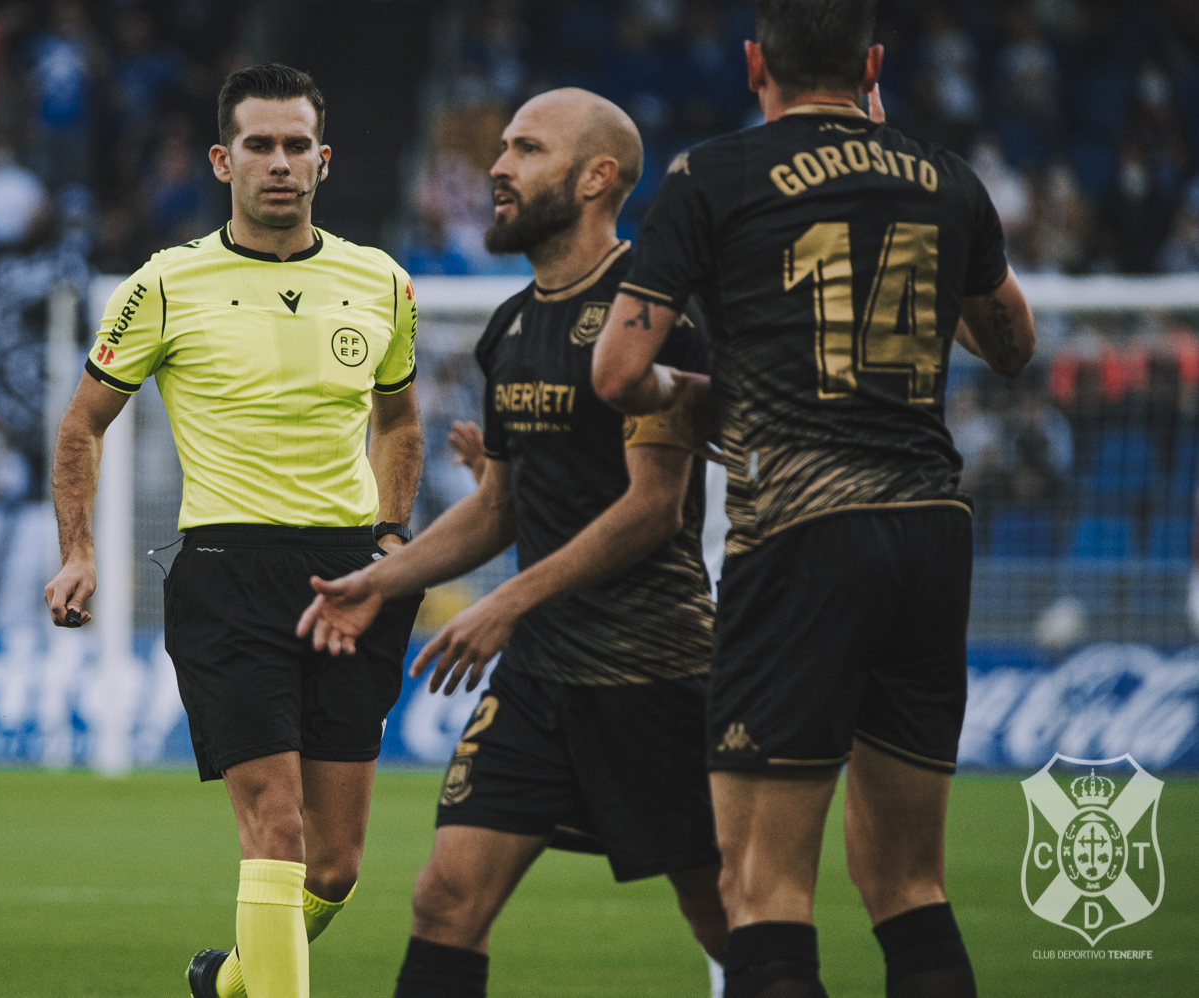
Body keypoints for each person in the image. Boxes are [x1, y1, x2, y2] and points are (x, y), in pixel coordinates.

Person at [591, 2, 1036, 996]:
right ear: (873, 64)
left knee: (763, 887)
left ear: (757, 65)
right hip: (930, 533)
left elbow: (620, 373)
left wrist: (705, 398)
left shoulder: (711, 177)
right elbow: (1013, 346)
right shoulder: (948, 180)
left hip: (800, 533)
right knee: (908, 880)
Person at [297, 88, 729, 998]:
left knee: (726, 908)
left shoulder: (650, 315)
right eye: (502, 148)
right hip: (541, 681)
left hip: (655, 672)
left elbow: (654, 509)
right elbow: (501, 506)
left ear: (595, 177)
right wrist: (380, 579)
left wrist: (506, 601)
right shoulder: (511, 327)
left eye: (526, 150)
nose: (496, 166)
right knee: (445, 897)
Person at [43, 65, 424, 998]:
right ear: (224, 159)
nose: (281, 163)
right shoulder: (164, 284)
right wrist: (80, 551)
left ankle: (231, 985)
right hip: (227, 568)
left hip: (352, 575)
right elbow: (82, 424)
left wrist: (387, 541)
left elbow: (402, 422)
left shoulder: (380, 281)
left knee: (334, 868)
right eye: (260, 144)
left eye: (298, 145)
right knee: (276, 832)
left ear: (324, 160)